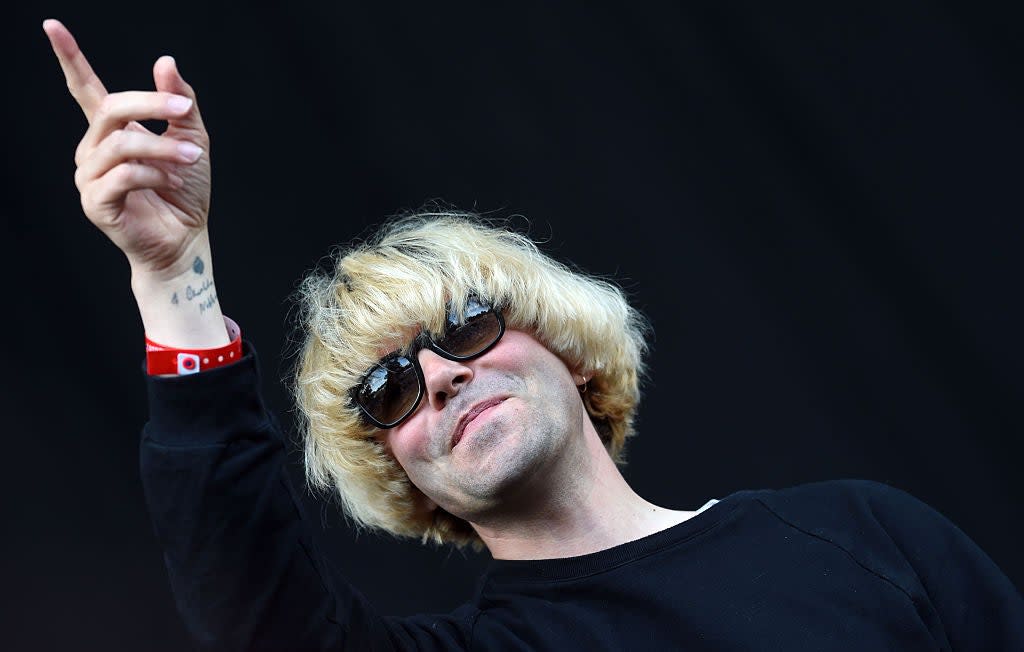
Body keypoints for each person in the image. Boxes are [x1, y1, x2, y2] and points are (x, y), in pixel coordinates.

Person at [44, 18, 1024, 652]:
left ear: (560, 341)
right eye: (387, 390)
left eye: (464, 328)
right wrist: (173, 277)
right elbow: (254, 613)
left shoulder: (861, 533)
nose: (433, 378)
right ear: (399, 471)